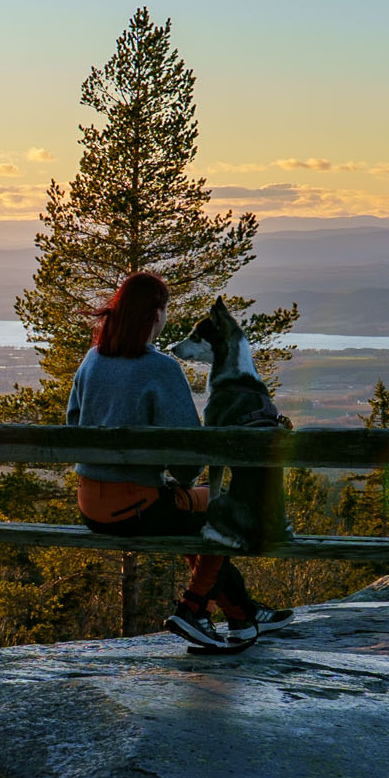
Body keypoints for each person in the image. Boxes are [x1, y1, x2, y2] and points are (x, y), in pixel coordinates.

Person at [63, 270, 268, 650]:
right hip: (137, 508)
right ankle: (197, 609)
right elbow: (189, 460)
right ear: (156, 314)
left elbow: (72, 427)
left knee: (195, 518)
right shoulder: (161, 369)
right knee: (227, 508)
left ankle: (242, 613)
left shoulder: (92, 361)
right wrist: (182, 481)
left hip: (90, 505)